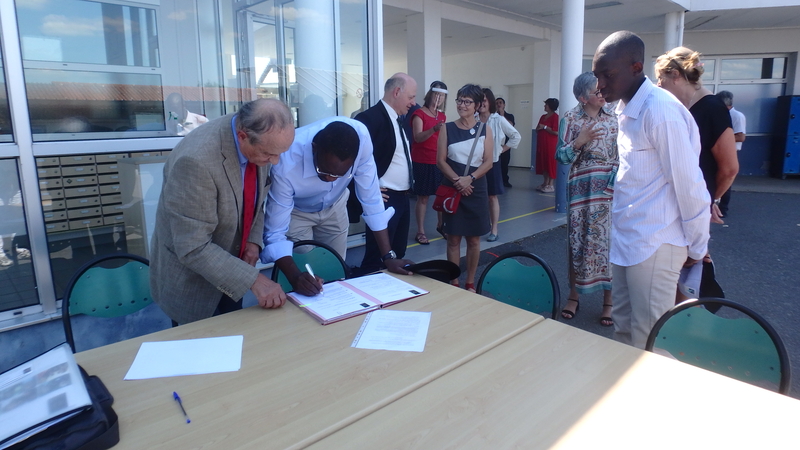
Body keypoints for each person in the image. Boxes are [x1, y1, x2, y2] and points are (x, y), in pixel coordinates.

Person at [592, 31, 710, 349]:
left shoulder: (660, 111)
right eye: (597, 76)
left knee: (650, 340)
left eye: (607, 75)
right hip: (627, 239)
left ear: (636, 67)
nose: (600, 85)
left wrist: (697, 248)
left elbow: (689, 186)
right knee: (623, 331)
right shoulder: (626, 110)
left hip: (655, 243)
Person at [150, 99, 295, 326]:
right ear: (242, 136)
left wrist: (253, 241)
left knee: (237, 337)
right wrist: (254, 280)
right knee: (201, 345)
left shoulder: (261, 141)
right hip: (193, 283)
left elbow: (256, 198)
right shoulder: (195, 162)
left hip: (234, 270)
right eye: (269, 154)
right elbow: (193, 247)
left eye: (280, 153)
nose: (275, 162)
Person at [261, 117, 413, 295]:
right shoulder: (286, 162)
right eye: (323, 171)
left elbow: (371, 200)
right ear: (314, 148)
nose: (330, 179)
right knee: (305, 270)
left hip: (336, 205)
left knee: (335, 266)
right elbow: (275, 233)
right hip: (297, 211)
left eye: (339, 175)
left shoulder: (361, 141)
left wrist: (388, 257)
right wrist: (295, 277)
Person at [555, 72, 619, 326]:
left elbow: (624, 153)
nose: (603, 94)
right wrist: (579, 142)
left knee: (609, 244)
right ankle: (574, 296)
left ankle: (609, 301)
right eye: (597, 91)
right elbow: (561, 157)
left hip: (608, 191)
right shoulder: (570, 118)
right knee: (578, 242)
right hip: (581, 191)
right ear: (582, 97)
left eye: (603, 89)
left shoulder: (614, 116)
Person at [655, 47, 739, 225]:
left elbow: (730, 169)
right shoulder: (677, 107)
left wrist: (710, 199)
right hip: (670, 204)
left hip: (693, 208)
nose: (658, 85)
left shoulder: (713, 109)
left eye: (661, 78)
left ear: (676, 75)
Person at [355, 73, 418, 274]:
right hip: (384, 198)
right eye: (411, 97)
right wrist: (369, 190)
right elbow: (354, 160)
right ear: (397, 92)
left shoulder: (399, 119)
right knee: (377, 258)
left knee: (397, 254)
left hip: (403, 197)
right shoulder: (369, 119)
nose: (413, 103)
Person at [437, 84, 494, 292]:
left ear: (477, 105)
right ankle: (454, 282)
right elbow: (440, 161)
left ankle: (470, 282)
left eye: (467, 101)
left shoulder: (485, 129)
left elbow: (488, 162)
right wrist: (458, 181)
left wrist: (469, 179)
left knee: (474, 240)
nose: (462, 105)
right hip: (454, 188)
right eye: (459, 100)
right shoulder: (447, 128)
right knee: (453, 239)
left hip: (476, 189)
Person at [479, 88, 520, 242]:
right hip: (476, 164)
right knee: (476, 196)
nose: (481, 103)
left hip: (492, 163)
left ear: (490, 101)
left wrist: (502, 149)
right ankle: (478, 226)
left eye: (484, 100)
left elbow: (516, 136)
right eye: (479, 100)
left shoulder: (498, 119)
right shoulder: (473, 118)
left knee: (492, 196)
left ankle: (494, 229)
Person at [410, 81, 448, 245]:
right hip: (423, 160)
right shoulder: (419, 114)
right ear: (430, 94)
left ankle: (441, 225)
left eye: (442, 95)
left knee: (441, 195)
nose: (439, 98)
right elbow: (417, 137)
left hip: (438, 160)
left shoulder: (442, 116)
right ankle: (420, 231)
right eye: (437, 94)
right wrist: (433, 129)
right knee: (423, 197)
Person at [716, 90, 746, 216]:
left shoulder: (737, 116)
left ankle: (723, 209)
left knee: (726, 179)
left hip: (730, 151)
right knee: (717, 178)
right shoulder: (720, 114)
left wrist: (720, 138)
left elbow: (741, 136)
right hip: (720, 149)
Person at [535, 98, 559, 192]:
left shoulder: (555, 117)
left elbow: (556, 132)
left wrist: (544, 127)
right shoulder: (543, 117)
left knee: (550, 163)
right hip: (542, 143)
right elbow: (538, 127)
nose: (545, 106)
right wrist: (539, 128)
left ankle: (551, 184)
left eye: (546, 105)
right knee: (543, 163)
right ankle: (545, 182)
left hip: (550, 144)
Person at [495, 97, 516, 188]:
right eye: (496, 103)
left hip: (506, 143)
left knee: (504, 162)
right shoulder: (493, 116)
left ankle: (505, 180)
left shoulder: (509, 116)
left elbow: (510, 125)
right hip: (495, 142)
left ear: (504, 105)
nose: (498, 104)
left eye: (500, 102)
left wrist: (502, 115)